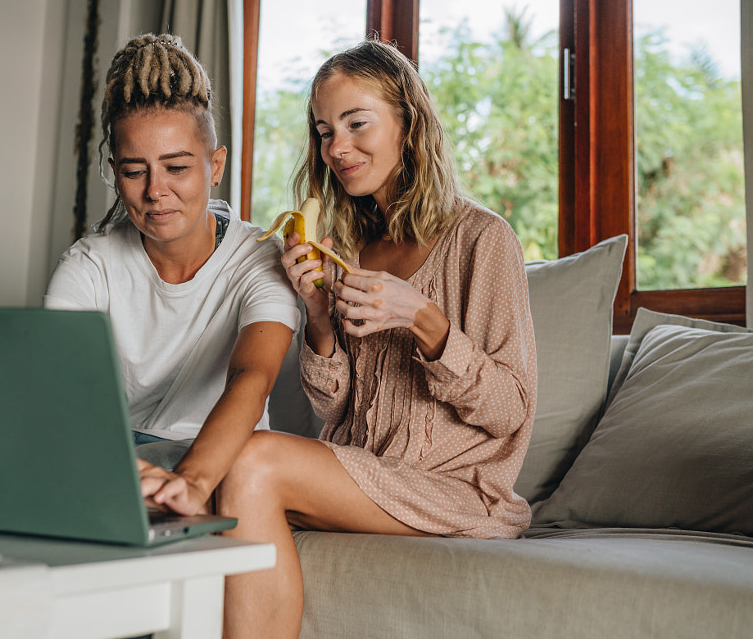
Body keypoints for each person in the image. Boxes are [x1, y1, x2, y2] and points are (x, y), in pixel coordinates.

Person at [216, 39, 538, 638]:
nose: (337, 148)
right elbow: (336, 411)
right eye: (323, 130)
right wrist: (316, 314)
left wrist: (425, 320)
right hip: (365, 475)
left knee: (252, 455)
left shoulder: (483, 239)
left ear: (408, 125)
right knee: (217, 471)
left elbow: (511, 411)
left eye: (356, 123)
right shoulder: (346, 246)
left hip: (455, 491)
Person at [44, 34, 299, 515]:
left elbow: (253, 375)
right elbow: (58, 389)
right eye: (134, 172)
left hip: (213, 450)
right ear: (115, 171)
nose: (156, 191)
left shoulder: (261, 257)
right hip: (117, 452)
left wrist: (193, 482)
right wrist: (105, 462)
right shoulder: (88, 265)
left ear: (215, 165)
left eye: (177, 167)